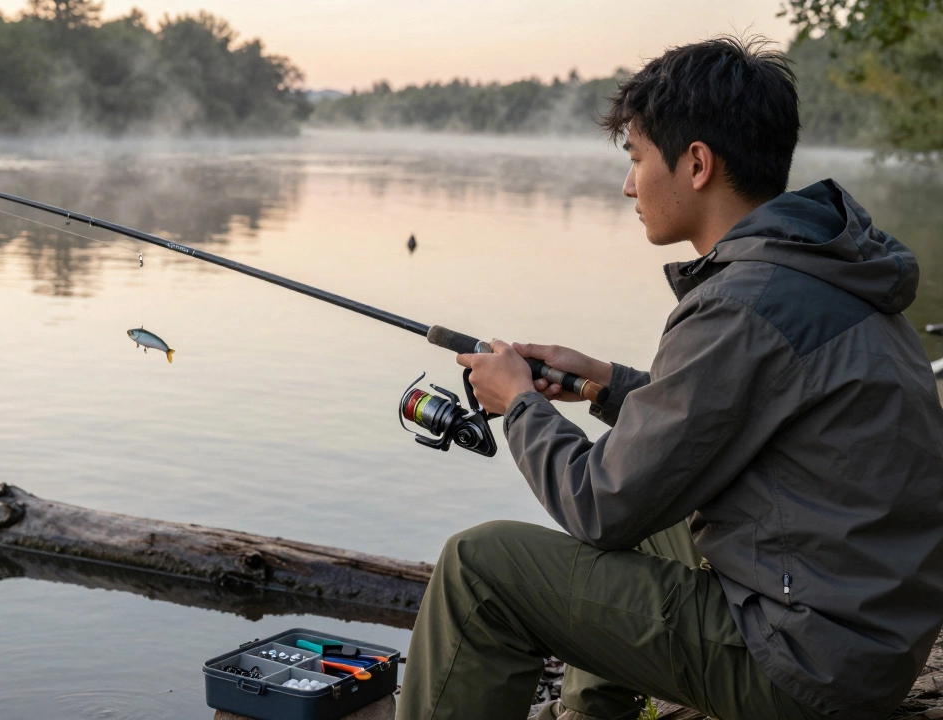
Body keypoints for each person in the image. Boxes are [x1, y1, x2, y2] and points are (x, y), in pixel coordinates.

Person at [396, 37, 943, 720]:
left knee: (477, 569)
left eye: (635, 159)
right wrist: (606, 384)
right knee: (654, 514)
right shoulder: (822, 267)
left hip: (804, 665)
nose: (629, 185)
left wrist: (523, 404)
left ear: (696, 164)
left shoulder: (741, 302)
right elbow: (726, 419)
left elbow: (599, 504)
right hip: (865, 637)